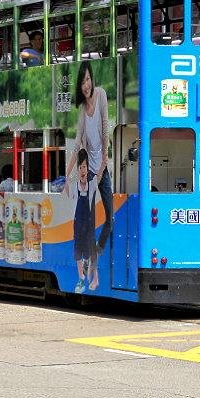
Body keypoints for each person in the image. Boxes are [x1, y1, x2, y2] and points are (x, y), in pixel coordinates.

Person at [67, 61, 113, 254]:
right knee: (88, 216)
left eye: (87, 79)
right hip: (89, 172)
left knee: (110, 217)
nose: (86, 85)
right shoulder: (82, 113)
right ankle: (89, 252)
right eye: (82, 82)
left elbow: (105, 125)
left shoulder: (101, 94)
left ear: (92, 79)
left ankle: (98, 249)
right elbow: (77, 144)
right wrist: (67, 176)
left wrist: (104, 158)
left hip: (101, 168)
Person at [69, 148, 100, 293]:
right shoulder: (74, 186)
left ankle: (87, 273)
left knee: (87, 252)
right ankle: (81, 279)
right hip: (78, 223)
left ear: (88, 169)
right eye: (80, 167)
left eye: (85, 167)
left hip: (88, 223)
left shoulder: (92, 185)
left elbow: (99, 176)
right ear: (77, 170)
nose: (82, 170)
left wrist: (104, 163)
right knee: (78, 253)